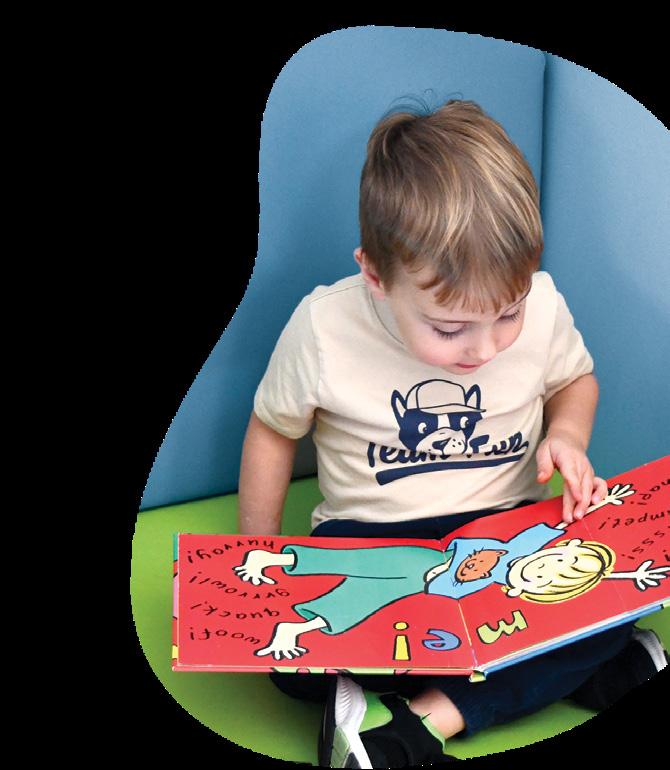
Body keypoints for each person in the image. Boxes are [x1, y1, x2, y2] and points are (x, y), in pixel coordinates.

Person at [237, 98, 668, 767]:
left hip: (509, 537)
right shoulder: (324, 328)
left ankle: (420, 723)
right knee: (290, 664)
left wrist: (568, 434)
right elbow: (271, 431)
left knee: (611, 589)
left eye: (508, 314)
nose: (485, 348)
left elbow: (575, 381)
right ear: (376, 276)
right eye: (449, 328)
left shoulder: (544, 304)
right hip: (375, 543)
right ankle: (583, 671)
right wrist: (256, 562)